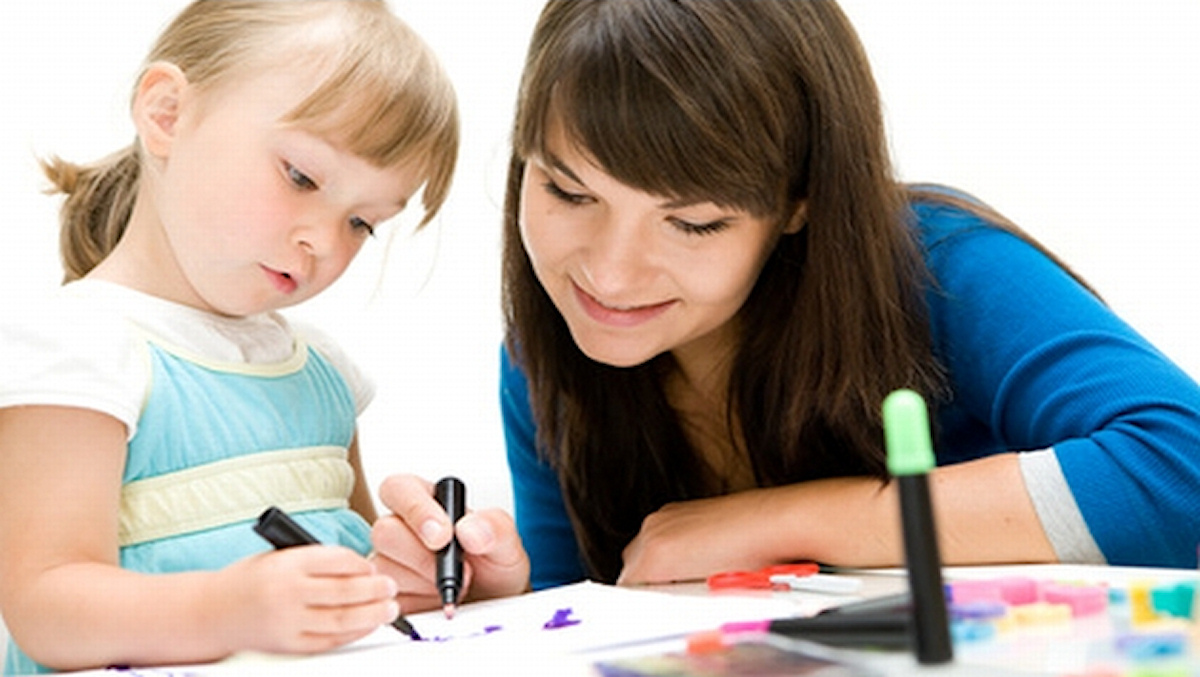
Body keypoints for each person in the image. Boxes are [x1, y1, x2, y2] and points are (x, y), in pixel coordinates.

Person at [370, 0, 1200, 609]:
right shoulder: (549, 353)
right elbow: (587, 613)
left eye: (694, 221)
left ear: (799, 202)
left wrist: (775, 522)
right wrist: (501, 595)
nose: (611, 277)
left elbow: (1180, 469)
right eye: (567, 190)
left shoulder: (937, 263)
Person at [0, 1, 458, 673]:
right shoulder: (77, 351)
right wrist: (223, 608)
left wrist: (410, 573)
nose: (323, 241)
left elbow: (345, 569)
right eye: (301, 176)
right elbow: (45, 606)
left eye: (362, 222)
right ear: (166, 114)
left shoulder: (321, 371)